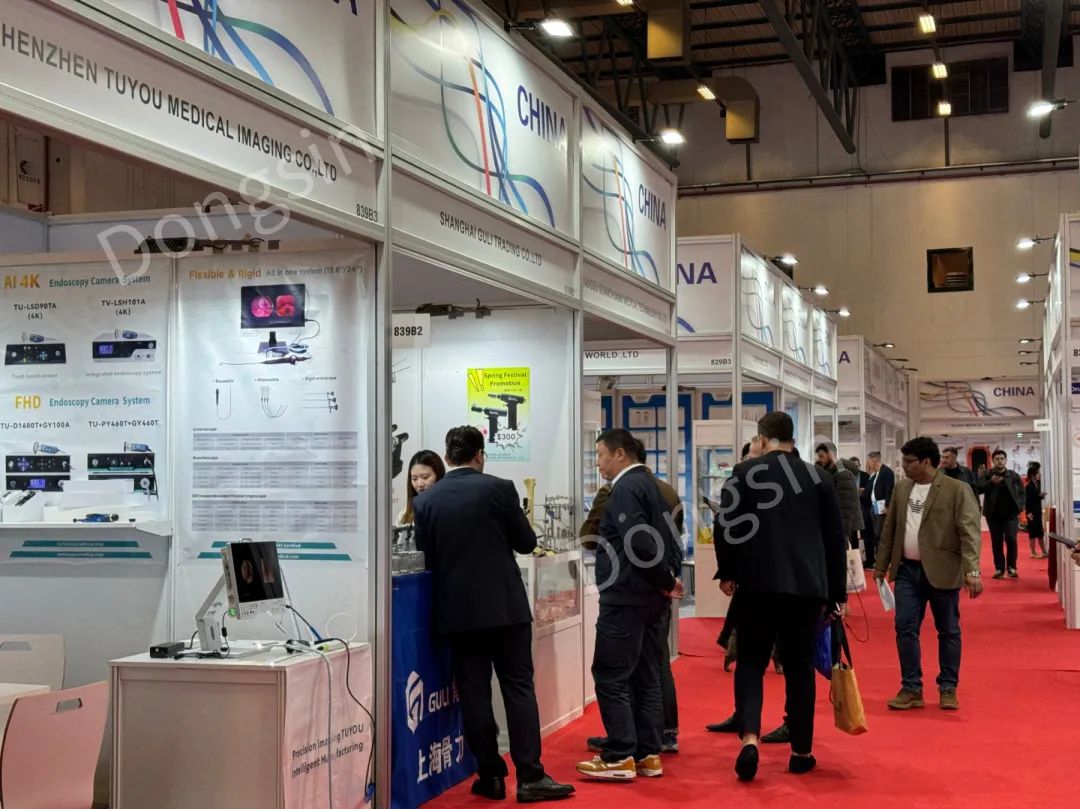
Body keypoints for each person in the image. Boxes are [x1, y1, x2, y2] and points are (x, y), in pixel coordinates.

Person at [413, 426, 574, 803]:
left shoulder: (427, 502)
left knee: (474, 693)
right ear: (480, 455)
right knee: (518, 688)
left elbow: (426, 560)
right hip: (505, 609)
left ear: (447, 457)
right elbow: (527, 543)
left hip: (458, 614)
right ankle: (531, 777)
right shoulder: (500, 489)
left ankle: (490, 776)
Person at [715, 412, 848, 782]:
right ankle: (801, 752)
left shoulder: (744, 473)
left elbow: (725, 526)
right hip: (806, 588)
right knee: (799, 666)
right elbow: (834, 540)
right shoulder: (819, 477)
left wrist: (728, 572)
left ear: (762, 439)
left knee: (751, 663)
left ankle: (750, 739)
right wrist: (836, 594)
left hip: (756, 586)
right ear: (793, 439)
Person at [576, 429, 680, 782]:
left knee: (610, 675)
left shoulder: (624, 489)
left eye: (600, 455)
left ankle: (620, 755)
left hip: (626, 598)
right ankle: (648, 754)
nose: (598, 463)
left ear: (620, 454)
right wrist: (667, 579)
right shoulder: (653, 486)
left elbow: (640, 544)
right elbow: (669, 541)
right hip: (649, 598)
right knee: (645, 676)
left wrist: (666, 580)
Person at [874, 437, 982, 712]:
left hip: (943, 570)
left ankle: (948, 687)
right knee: (904, 627)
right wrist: (881, 565)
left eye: (909, 462)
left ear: (926, 462)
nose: (904, 466)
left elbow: (969, 532)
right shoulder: (901, 489)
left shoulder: (957, 490)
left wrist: (972, 569)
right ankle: (911, 688)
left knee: (948, 630)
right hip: (907, 571)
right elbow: (890, 530)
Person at [977, 450, 1025, 579]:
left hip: (1011, 515)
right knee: (996, 542)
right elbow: (978, 489)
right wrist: (991, 482)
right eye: (997, 459)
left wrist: (1020, 506)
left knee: (1011, 539)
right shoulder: (988, 475)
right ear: (993, 461)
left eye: (1002, 458)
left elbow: (1022, 492)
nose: (999, 461)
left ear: (1006, 460)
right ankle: (999, 569)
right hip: (993, 515)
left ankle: (1012, 568)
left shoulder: (1013, 475)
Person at [815, 442, 863, 545]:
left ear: (831, 454)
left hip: (844, 530)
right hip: (839, 527)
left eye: (821, 456)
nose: (819, 460)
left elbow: (846, 507)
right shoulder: (834, 473)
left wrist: (843, 534)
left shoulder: (842, 474)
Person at [864, 452, 896, 569]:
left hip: (882, 508)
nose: (868, 463)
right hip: (875, 506)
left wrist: (887, 506)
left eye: (869, 461)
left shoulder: (887, 472)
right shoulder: (876, 473)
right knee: (876, 535)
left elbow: (889, 490)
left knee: (880, 535)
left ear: (874, 460)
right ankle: (879, 560)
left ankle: (884, 561)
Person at [398, 449, 446, 525]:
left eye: (425, 477)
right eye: (414, 479)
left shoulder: (449, 509)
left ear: (438, 475)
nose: (420, 484)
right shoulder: (405, 513)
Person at [1025, 464, 1048, 559]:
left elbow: (1035, 498)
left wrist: (1041, 496)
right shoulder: (1029, 486)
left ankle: (1044, 551)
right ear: (1032, 475)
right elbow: (1027, 501)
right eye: (1038, 473)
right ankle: (1033, 552)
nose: (1039, 474)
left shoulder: (1035, 484)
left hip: (1037, 512)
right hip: (1032, 513)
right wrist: (1029, 513)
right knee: (1033, 534)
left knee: (1039, 533)